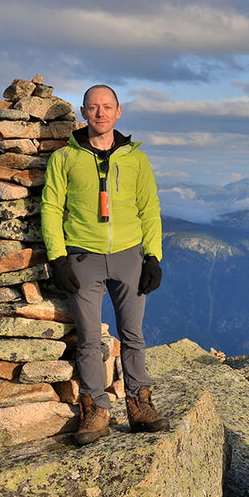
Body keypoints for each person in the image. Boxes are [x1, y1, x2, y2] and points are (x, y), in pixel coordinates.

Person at [41, 84, 167, 446]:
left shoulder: (135, 159)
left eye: (107, 107)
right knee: (88, 338)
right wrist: (58, 257)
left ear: (119, 112)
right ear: (83, 112)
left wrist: (153, 257)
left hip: (129, 254)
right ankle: (95, 409)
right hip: (82, 257)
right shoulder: (65, 158)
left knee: (133, 335)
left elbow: (150, 209)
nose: (100, 113)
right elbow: (50, 209)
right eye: (94, 108)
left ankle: (139, 404)